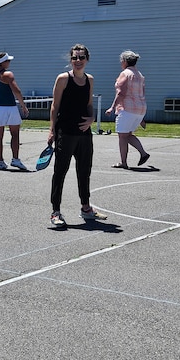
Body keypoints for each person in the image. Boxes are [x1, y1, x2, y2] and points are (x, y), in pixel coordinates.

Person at [47, 44, 107, 228]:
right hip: (65, 132)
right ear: (70, 60)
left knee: (84, 170)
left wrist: (91, 118)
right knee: (60, 171)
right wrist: (52, 130)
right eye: (75, 58)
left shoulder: (90, 80)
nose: (78, 61)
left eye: (81, 57)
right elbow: (55, 106)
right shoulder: (63, 79)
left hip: (84, 134)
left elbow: (89, 104)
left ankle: (86, 208)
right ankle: (55, 212)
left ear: (87, 59)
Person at [105, 50, 149, 169]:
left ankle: (123, 162)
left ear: (124, 61)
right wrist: (142, 118)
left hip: (127, 108)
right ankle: (143, 153)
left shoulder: (125, 74)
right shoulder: (140, 75)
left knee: (122, 136)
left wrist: (112, 107)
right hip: (140, 109)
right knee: (128, 134)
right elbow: (142, 94)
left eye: (121, 61)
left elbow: (121, 93)